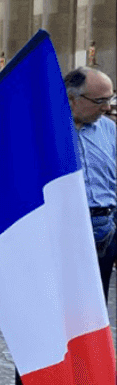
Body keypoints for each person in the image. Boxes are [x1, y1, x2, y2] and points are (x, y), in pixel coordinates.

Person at [65, 67, 116, 300]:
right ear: (71, 98)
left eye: (110, 99)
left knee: (96, 308)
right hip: (62, 233)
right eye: (100, 101)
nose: (107, 107)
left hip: (105, 230)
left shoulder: (109, 129)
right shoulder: (43, 131)